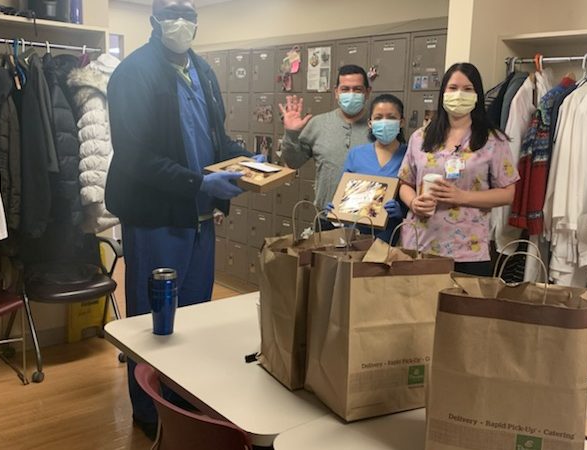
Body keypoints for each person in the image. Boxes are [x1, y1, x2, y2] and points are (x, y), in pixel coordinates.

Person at [105, 0, 260, 439]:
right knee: (153, 320)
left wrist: (247, 159)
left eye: (189, 12)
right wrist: (198, 184)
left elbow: (215, 135)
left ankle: (184, 401)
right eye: (172, 10)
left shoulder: (203, 72)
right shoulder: (132, 74)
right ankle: (149, 412)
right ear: (155, 18)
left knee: (194, 317)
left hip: (200, 219)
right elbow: (135, 157)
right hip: (156, 218)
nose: (182, 21)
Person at [398, 63, 519, 276]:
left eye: (467, 89)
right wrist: (413, 202)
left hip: (467, 250)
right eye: (453, 88)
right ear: (443, 93)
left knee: (462, 307)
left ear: (477, 95)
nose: (459, 94)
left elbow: (508, 193)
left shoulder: (493, 140)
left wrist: (462, 197)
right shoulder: (420, 137)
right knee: (418, 308)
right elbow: (405, 182)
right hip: (420, 245)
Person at [279, 65, 372, 224]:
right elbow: (293, 162)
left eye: (357, 89)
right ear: (336, 92)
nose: (351, 94)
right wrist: (291, 134)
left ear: (367, 92)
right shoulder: (318, 124)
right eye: (345, 89)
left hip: (368, 220)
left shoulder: (378, 126)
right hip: (326, 219)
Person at [328, 94, 407, 243]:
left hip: (393, 235)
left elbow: (417, 198)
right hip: (356, 235)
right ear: (370, 123)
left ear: (401, 122)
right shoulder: (356, 154)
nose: (384, 122)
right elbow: (344, 191)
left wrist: (402, 211)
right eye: (378, 118)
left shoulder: (410, 155)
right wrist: (336, 206)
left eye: (391, 117)